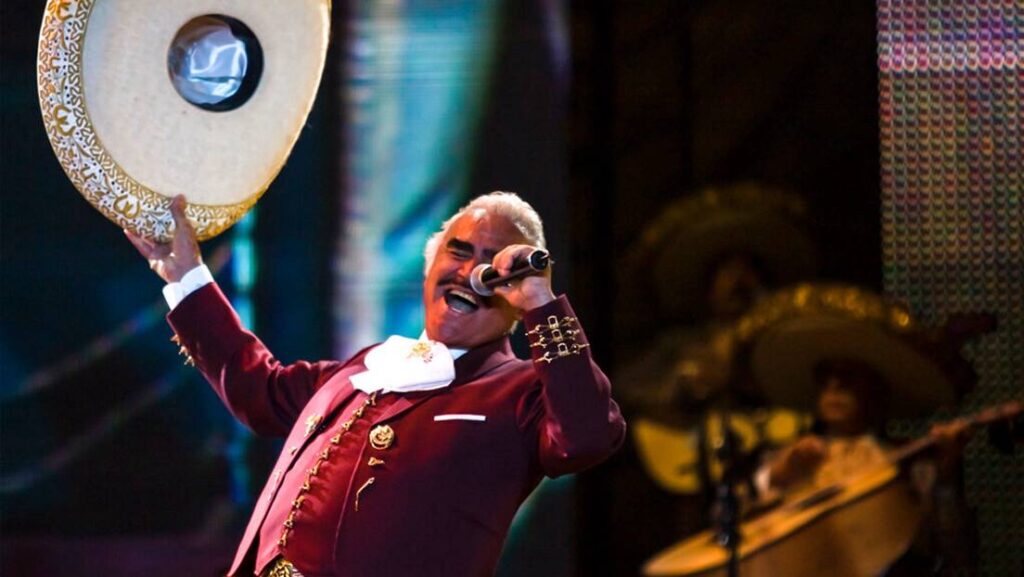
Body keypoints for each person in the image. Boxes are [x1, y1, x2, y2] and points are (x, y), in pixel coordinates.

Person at [125, 192, 626, 577]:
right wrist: (185, 277)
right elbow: (260, 391)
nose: (472, 271)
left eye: (493, 264)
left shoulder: (519, 391)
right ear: (430, 267)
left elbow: (586, 435)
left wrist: (541, 302)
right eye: (459, 251)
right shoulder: (366, 368)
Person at [755, 358, 977, 577]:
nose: (834, 386)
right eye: (826, 379)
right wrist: (777, 475)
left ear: (876, 390)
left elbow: (955, 547)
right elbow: (743, 525)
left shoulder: (908, 462)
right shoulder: (789, 458)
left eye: (848, 377)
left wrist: (947, 471)